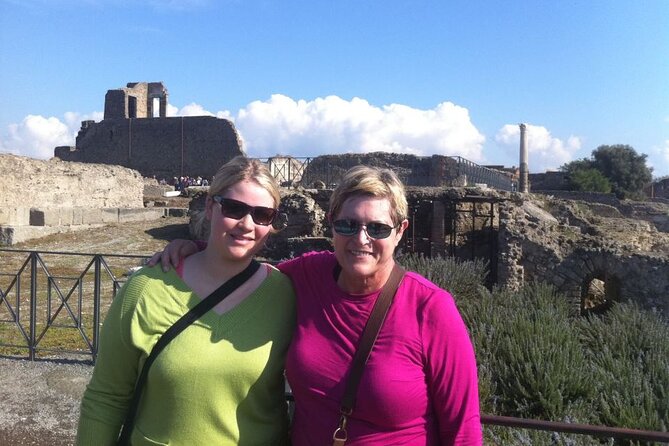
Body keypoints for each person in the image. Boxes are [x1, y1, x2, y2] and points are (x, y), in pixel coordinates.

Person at [153, 165, 483, 445]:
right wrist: (195, 247)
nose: (361, 239)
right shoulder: (308, 274)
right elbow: (246, 272)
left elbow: (463, 429)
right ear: (331, 223)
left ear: (400, 232)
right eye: (347, 224)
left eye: (378, 228)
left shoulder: (431, 308)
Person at [77, 156, 296, 445]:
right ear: (209, 207)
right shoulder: (145, 289)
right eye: (233, 208)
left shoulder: (284, 293)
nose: (246, 224)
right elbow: (105, 398)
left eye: (262, 215)